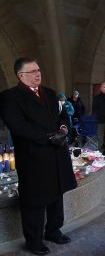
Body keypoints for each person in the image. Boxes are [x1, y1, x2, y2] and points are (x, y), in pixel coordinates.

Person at [0, 57, 77, 255]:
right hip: (34, 157)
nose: (38, 74)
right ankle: (33, 241)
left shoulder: (50, 93)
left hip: (57, 155)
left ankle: (53, 230)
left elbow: (63, 116)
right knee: (34, 201)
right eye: (33, 71)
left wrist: (63, 128)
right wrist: (49, 137)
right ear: (21, 75)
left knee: (55, 196)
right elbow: (18, 126)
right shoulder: (10, 97)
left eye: (39, 70)